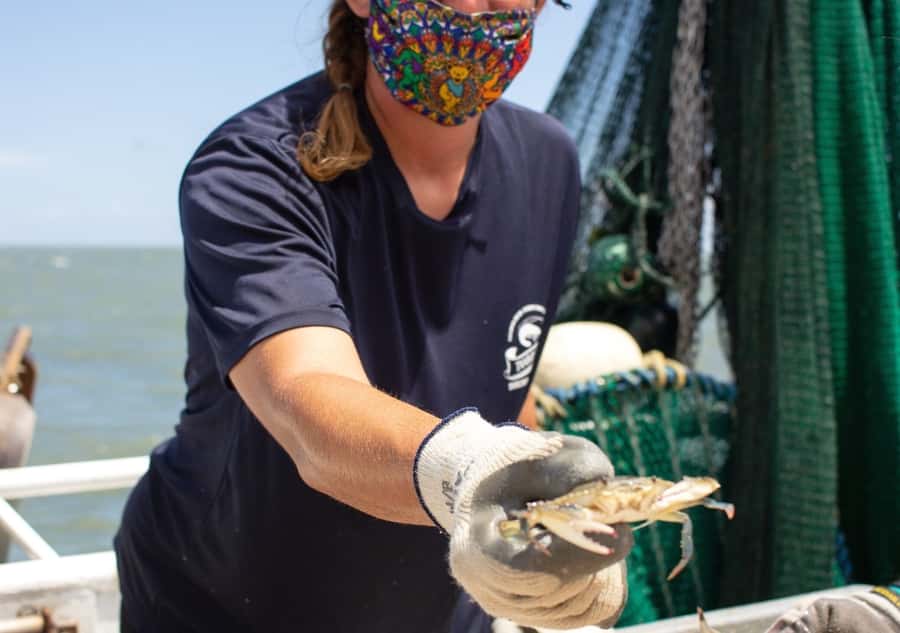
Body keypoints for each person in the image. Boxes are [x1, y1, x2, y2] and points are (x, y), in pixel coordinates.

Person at [113, 0, 634, 630]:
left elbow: (507, 382)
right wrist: (470, 474)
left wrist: (556, 521)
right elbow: (308, 401)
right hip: (222, 605)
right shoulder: (254, 167)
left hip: (440, 607)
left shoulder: (547, 161)